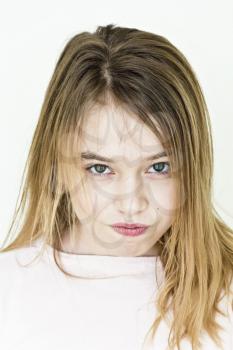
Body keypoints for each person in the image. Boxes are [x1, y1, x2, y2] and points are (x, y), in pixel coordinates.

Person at [0, 23, 232, 350]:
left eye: (159, 167)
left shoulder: (226, 291)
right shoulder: (8, 291)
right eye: (100, 168)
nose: (131, 204)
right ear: (56, 165)